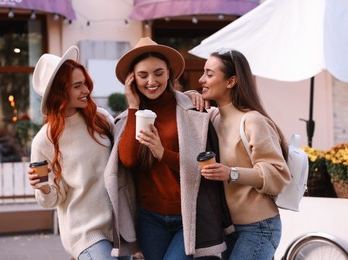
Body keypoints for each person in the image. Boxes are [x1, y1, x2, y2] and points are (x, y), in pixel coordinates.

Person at [104, 37, 233, 259]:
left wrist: (163, 154)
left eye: (158, 73)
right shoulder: (127, 119)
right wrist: (133, 106)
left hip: (188, 216)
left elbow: (204, 168)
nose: (151, 81)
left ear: (169, 74)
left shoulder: (192, 110)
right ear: (132, 80)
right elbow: (129, 161)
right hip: (149, 219)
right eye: (143, 75)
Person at [27, 46, 132, 260]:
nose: (86, 90)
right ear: (59, 93)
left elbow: (125, 155)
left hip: (119, 227)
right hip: (84, 232)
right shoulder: (44, 141)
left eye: (85, 83)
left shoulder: (100, 118)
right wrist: (45, 188)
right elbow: (52, 200)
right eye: (77, 86)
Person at [198, 49, 291, 260]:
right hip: (227, 229)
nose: (202, 79)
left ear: (231, 82)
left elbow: (277, 175)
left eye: (210, 74)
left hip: (258, 227)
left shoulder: (252, 120)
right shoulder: (213, 119)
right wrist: (191, 95)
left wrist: (231, 173)